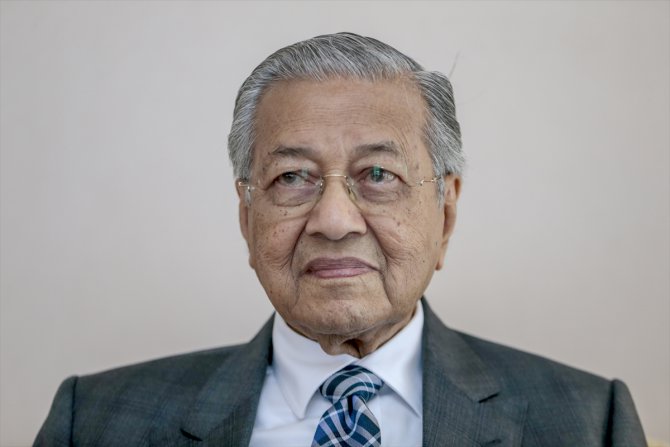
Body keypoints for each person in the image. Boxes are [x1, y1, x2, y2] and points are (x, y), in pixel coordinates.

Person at [34, 32, 646, 447]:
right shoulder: (94, 421)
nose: (333, 220)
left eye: (377, 175)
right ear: (247, 217)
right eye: (291, 177)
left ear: (446, 212)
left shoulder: (590, 422)